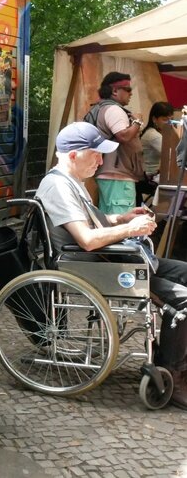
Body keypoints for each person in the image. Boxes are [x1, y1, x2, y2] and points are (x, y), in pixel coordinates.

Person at [36, 122, 187, 410]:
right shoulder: (58, 186)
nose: (101, 159)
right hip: (94, 265)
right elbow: (87, 239)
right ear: (73, 155)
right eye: (95, 153)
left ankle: (174, 357)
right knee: (182, 300)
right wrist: (131, 230)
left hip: (109, 258)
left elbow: (92, 222)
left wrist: (123, 218)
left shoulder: (72, 181)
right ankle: (173, 373)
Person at [84, 71, 144, 214]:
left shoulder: (101, 108)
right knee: (121, 221)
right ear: (115, 91)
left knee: (109, 220)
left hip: (111, 175)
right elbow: (123, 136)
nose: (131, 93)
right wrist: (137, 121)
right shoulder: (114, 110)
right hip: (117, 177)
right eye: (128, 89)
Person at [138, 101, 174, 202]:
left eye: (171, 119)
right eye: (165, 119)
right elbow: (172, 156)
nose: (169, 123)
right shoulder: (153, 135)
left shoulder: (151, 131)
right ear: (154, 119)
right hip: (150, 179)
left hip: (150, 176)